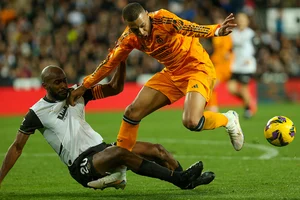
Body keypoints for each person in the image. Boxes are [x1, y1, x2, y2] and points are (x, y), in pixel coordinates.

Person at [0, 64, 214, 190]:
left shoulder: (78, 93)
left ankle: (186, 182)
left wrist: (120, 61)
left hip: (103, 150)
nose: (63, 85)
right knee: (121, 153)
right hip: (82, 165)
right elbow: (17, 148)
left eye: (64, 80)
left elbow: (114, 88)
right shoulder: (36, 112)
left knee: (157, 150)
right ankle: (179, 179)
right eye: (57, 83)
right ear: (45, 86)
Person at [68, 3, 244, 155]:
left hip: (197, 67)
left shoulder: (163, 19)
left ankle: (228, 119)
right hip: (172, 73)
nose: (141, 32)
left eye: (142, 25)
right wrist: (85, 86)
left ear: (147, 14)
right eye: (135, 29)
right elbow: (108, 63)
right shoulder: (129, 37)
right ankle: (119, 165)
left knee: (191, 121)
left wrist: (216, 29)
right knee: (132, 112)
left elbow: (188, 27)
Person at [227, 13, 257, 119]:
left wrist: (250, 58)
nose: (241, 21)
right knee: (231, 88)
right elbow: (230, 47)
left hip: (247, 66)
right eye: (239, 19)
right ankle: (249, 101)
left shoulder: (250, 33)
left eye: (243, 19)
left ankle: (248, 109)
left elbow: (257, 48)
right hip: (235, 65)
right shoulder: (233, 34)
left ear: (247, 21)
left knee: (244, 89)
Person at [207, 16, 234, 112]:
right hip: (218, 65)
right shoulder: (216, 35)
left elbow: (228, 49)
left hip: (225, 66)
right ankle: (213, 107)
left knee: (212, 85)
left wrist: (226, 53)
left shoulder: (227, 35)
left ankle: (213, 107)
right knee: (212, 85)